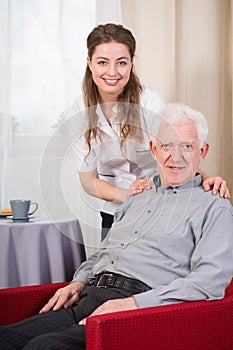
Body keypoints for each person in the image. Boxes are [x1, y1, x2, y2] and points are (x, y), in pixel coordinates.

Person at [1, 102, 232, 350]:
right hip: (88, 297)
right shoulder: (138, 196)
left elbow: (210, 281)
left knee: (43, 347)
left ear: (202, 151)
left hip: (138, 312)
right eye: (166, 145)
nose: (175, 156)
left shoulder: (213, 207)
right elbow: (104, 252)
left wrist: (133, 304)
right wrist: (78, 282)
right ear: (153, 149)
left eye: (187, 146)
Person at [66, 23, 229, 240]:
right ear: (90, 63)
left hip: (157, 205)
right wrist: (128, 195)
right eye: (102, 62)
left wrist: (208, 179)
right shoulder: (78, 113)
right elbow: (88, 181)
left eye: (121, 63)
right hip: (114, 212)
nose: (112, 72)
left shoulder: (150, 102)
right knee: (108, 269)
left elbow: (174, 153)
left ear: (131, 63)